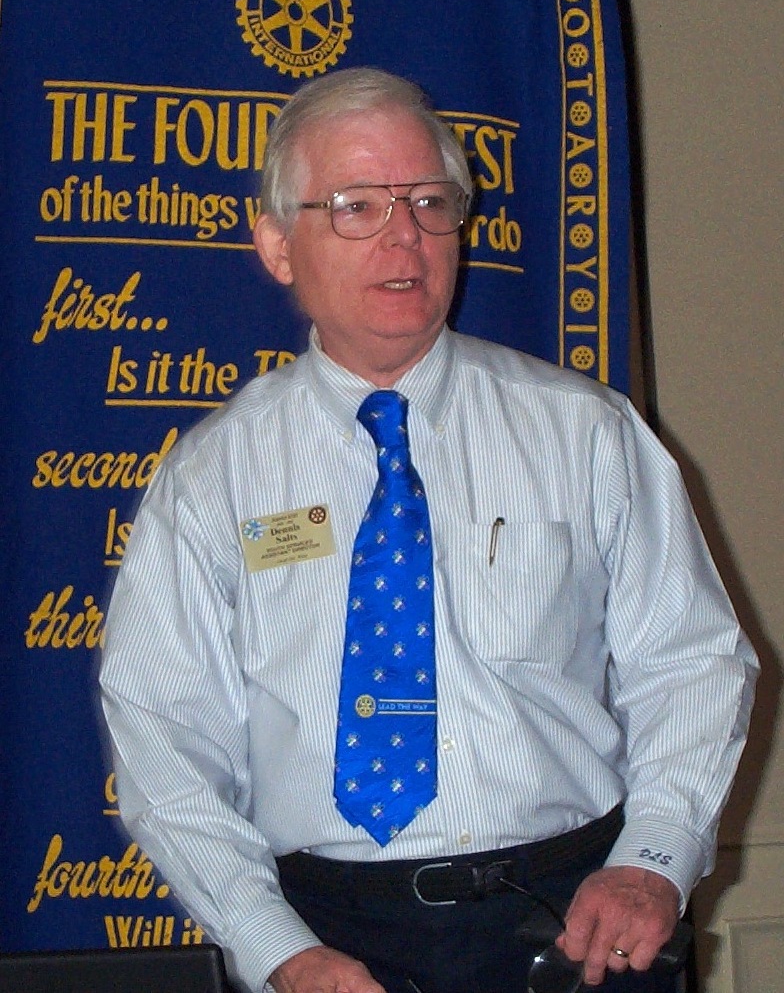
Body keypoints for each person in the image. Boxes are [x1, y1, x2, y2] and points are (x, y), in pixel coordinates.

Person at [100, 67, 758, 993]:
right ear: (278, 245)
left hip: (582, 924)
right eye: (357, 206)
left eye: (429, 202)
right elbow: (163, 737)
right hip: (328, 939)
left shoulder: (586, 433)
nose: (403, 234)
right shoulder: (213, 478)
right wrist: (276, 947)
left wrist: (653, 859)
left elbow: (692, 662)